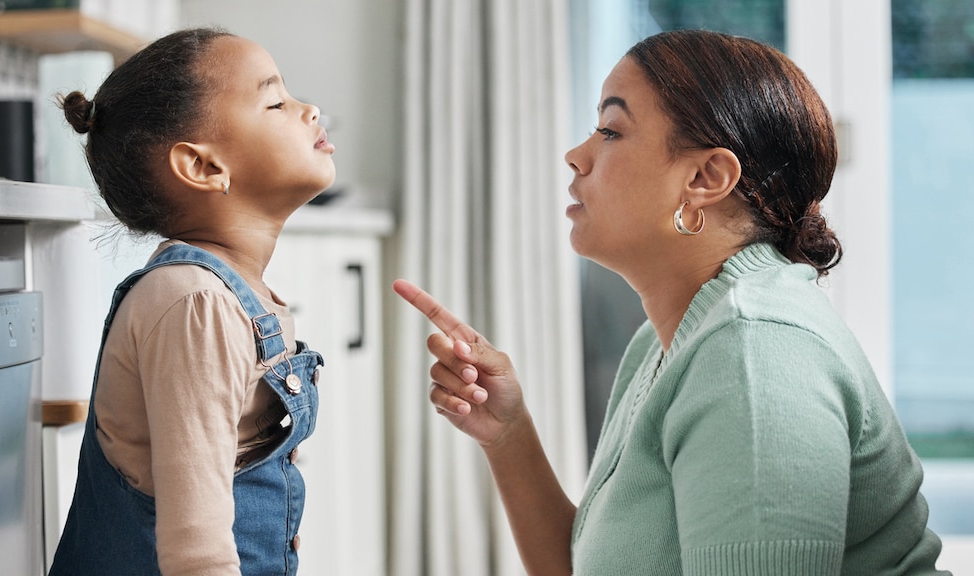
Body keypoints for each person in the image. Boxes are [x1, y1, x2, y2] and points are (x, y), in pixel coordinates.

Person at [394, 29, 951, 575]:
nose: (574, 155)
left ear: (706, 177)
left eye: (610, 131)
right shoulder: (668, 340)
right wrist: (509, 434)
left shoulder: (754, 356)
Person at [48, 27, 335, 576]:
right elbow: (197, 557)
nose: (310, 109)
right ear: (203, 167)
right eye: (276, 101)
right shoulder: (194, 306)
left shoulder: (234, 296)